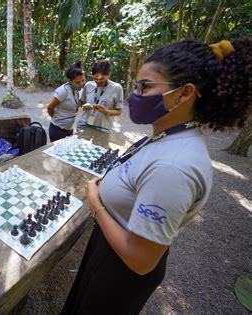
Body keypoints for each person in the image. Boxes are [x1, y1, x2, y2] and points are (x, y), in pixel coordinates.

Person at [63, 37, 251, 314]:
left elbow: (140, 260)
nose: (133, 96)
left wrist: (97, 205)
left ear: (185, 93)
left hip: (121, 273)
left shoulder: (174, 167)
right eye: (136, 86)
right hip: (110, 247)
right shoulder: (168, 136)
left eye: (145, 86)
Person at [78, 60, 123, 132]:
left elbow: (119, 111)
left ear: (109, 74)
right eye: (95, 79)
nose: (98, 81)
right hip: (84, 125)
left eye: (102, 79)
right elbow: (82, 103)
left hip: (103, 129)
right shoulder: (88, 85)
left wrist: (106, 111)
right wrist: (85, 107)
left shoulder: (117, 88)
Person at [47, 61, 86, 142]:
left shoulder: (80, 90)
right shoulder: (63, 91)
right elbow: (50, 107)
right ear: (70, 81)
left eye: (83, 80)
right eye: (77, 82)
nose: (81, 84)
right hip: (57, 130)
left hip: (69, 129)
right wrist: (57, 119)